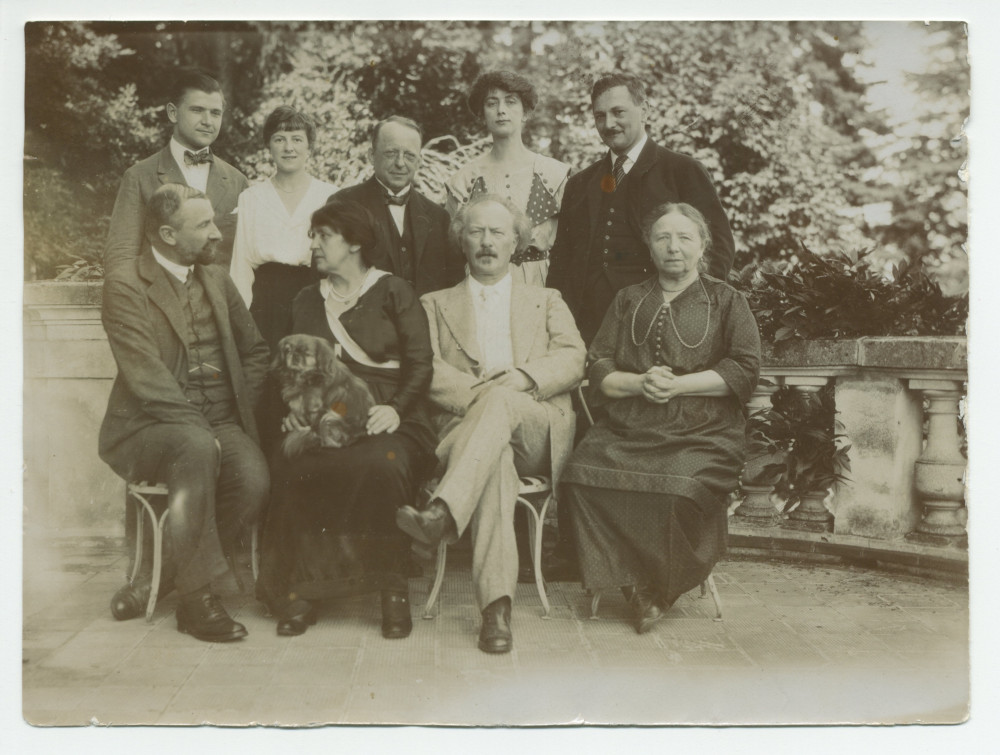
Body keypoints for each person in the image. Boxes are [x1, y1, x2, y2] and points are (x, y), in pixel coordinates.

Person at [396, 194, 585, 654]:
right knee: (495, 458)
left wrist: (522, 378)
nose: (486, 242)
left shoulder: (546, 299)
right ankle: (496, 610)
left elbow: (575, 357)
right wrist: (487, 397)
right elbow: (429, 370)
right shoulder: (434, 304)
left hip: (536, 423)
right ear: (461, 240)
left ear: (516, 240)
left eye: (497, 232)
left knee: (501, 407)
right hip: (474, 430)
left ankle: (442, 512)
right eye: (475, 231)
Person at [560, 203, 760, 634]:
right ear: (649, 248)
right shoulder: (628, 299)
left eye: (685, 238)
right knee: (581, 476)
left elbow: (744, 369)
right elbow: (597, 365)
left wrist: (678, 387)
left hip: (705, 432)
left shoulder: (728, 301)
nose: (674, 248)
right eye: (662, 238)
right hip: (629, 427)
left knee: (678, 490)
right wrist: (638, 384)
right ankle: (637, 587)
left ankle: (659, 588)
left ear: (702, 245)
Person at [255, 199, 436, 639]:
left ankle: (391, 589)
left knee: (380, 463)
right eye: (312, 236)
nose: (313, 245)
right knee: (297, 463)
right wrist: (292, 416)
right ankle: (303, 591)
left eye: (323, 236)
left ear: (355, 242)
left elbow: (421, 364)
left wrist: (396, 409)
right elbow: (284, 369)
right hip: (321, 414)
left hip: (386, 412)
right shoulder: (304, 299)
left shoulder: (394, 291)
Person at [100, 184, 270, 642]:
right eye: (204, 225)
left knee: (253, 482)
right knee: (195, 446)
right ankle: (196, 603)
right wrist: (201, 429)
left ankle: (157, 576)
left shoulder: (216, 278)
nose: (217, 233)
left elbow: (256, 351)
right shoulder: (126, 284)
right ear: (168, 234)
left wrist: (236, 406)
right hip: (148, 428)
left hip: (218, 419)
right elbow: (145, 377)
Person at [546, 73, 736, 345]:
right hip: (587, 329)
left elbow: (718, 246)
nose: (609, 124)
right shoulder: (579, 184)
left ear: (644, 110)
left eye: (618, 112)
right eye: (600, 116)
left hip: (661, 323)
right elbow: (561, 261)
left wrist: (691, 312)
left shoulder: (682, 171)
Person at [104, 68, 249, 277]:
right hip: (159, 304)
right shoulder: (139, 176)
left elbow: (243, 260)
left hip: (220, 305)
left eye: (215, 113)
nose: (208, 121)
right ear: (173, 113)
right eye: (197, 110)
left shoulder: (238, 181)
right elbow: (121, 256)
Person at [445, 71, 570, 288]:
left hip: (540, 284)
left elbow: (572, 246)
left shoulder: (554, 174)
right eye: (491, 103)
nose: (501, 110)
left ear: (525, 112)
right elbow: (454, 251)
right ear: (482, 114)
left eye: (510, 102)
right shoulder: (464, 181)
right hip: (481, 284)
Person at [229, 106, 338, 353]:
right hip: (265, 305)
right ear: (269, 146)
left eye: (297, 139)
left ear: (309, 147)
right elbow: (241, 268)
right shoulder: (251, 198)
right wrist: (241, 324)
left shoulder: (330, 196)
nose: (289, 148)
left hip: (315, 301)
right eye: (280, 139)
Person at [330, 116, 463, 296]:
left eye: (409, 155)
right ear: (371, 155)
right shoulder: (342, 205)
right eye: (391, 153)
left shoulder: (438, 217)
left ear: (419, 161)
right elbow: (325, 281)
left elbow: (452, 288)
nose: (400, 163)